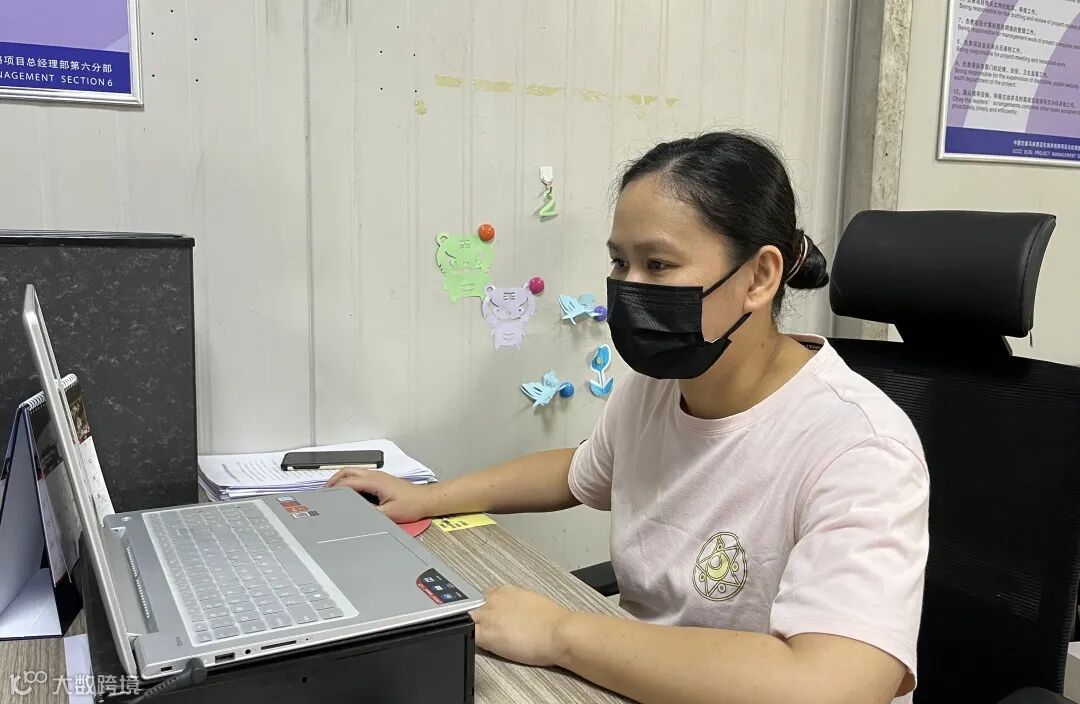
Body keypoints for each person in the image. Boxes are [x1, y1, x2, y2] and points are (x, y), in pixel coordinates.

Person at [328, 131, 929, 704]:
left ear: (759, 277)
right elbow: (579, 472)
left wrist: (561, 633)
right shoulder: (656, 389)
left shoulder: (860, 446)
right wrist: (427, 498)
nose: (630, 289)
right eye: (620, 262)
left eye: (658, 265)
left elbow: (834, 687)